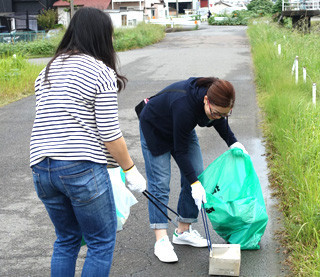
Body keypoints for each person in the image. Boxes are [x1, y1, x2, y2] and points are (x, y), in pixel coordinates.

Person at [30, 7, 146, 277]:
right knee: (101, 242)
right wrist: (130, 170)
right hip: (80, 167)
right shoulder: (100, 71)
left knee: (66, 239)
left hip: (41, 168)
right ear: (101, 36)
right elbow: (109, 132)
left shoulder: (47, 70)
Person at [138, 77, 247, 263]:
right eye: (216, 112)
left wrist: (233, 142)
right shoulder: (184, 105)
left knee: (196, 173)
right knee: (161, 182)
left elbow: (217, 119)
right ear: (206, 100)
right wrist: (194, 184)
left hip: (181, 128)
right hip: (155, 127)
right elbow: (180, 152)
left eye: (225, 114)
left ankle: (183, 231)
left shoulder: (214, 101)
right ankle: (161, 239)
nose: (219, 117)